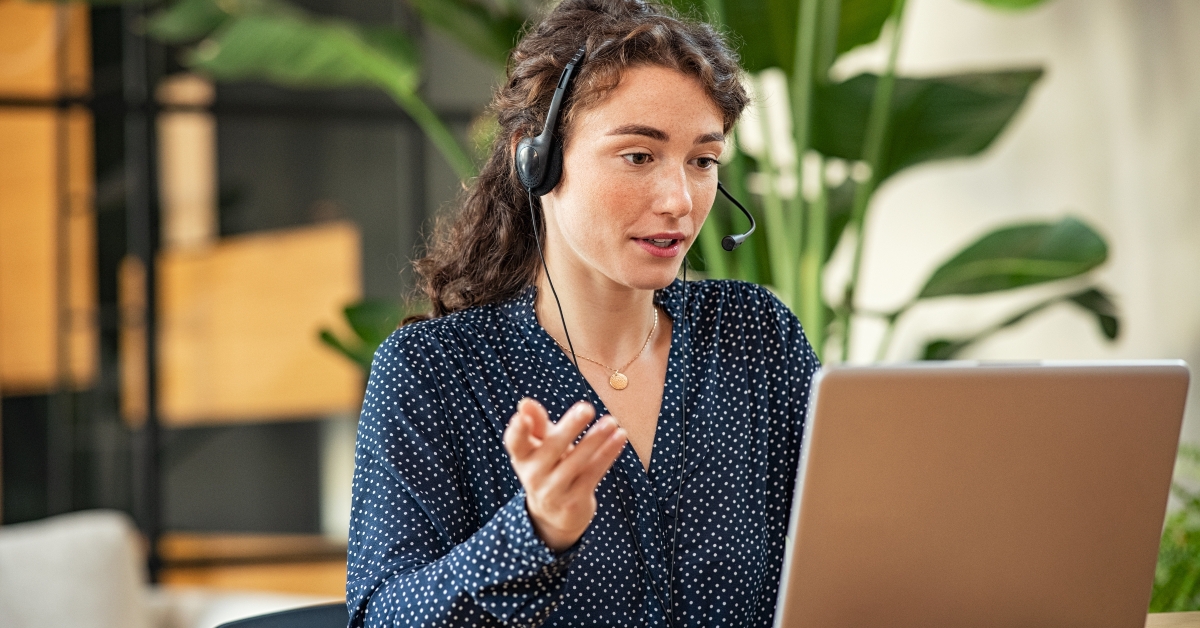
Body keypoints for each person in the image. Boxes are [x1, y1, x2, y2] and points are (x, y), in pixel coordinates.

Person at [346, 0, 819, 625]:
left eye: (702, 161)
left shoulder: (755, 336)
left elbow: (849, 560)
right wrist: (534, 532)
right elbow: (380, 618)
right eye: (638, 156)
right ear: (535, 159)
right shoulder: (434, 372)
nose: (679, 200)